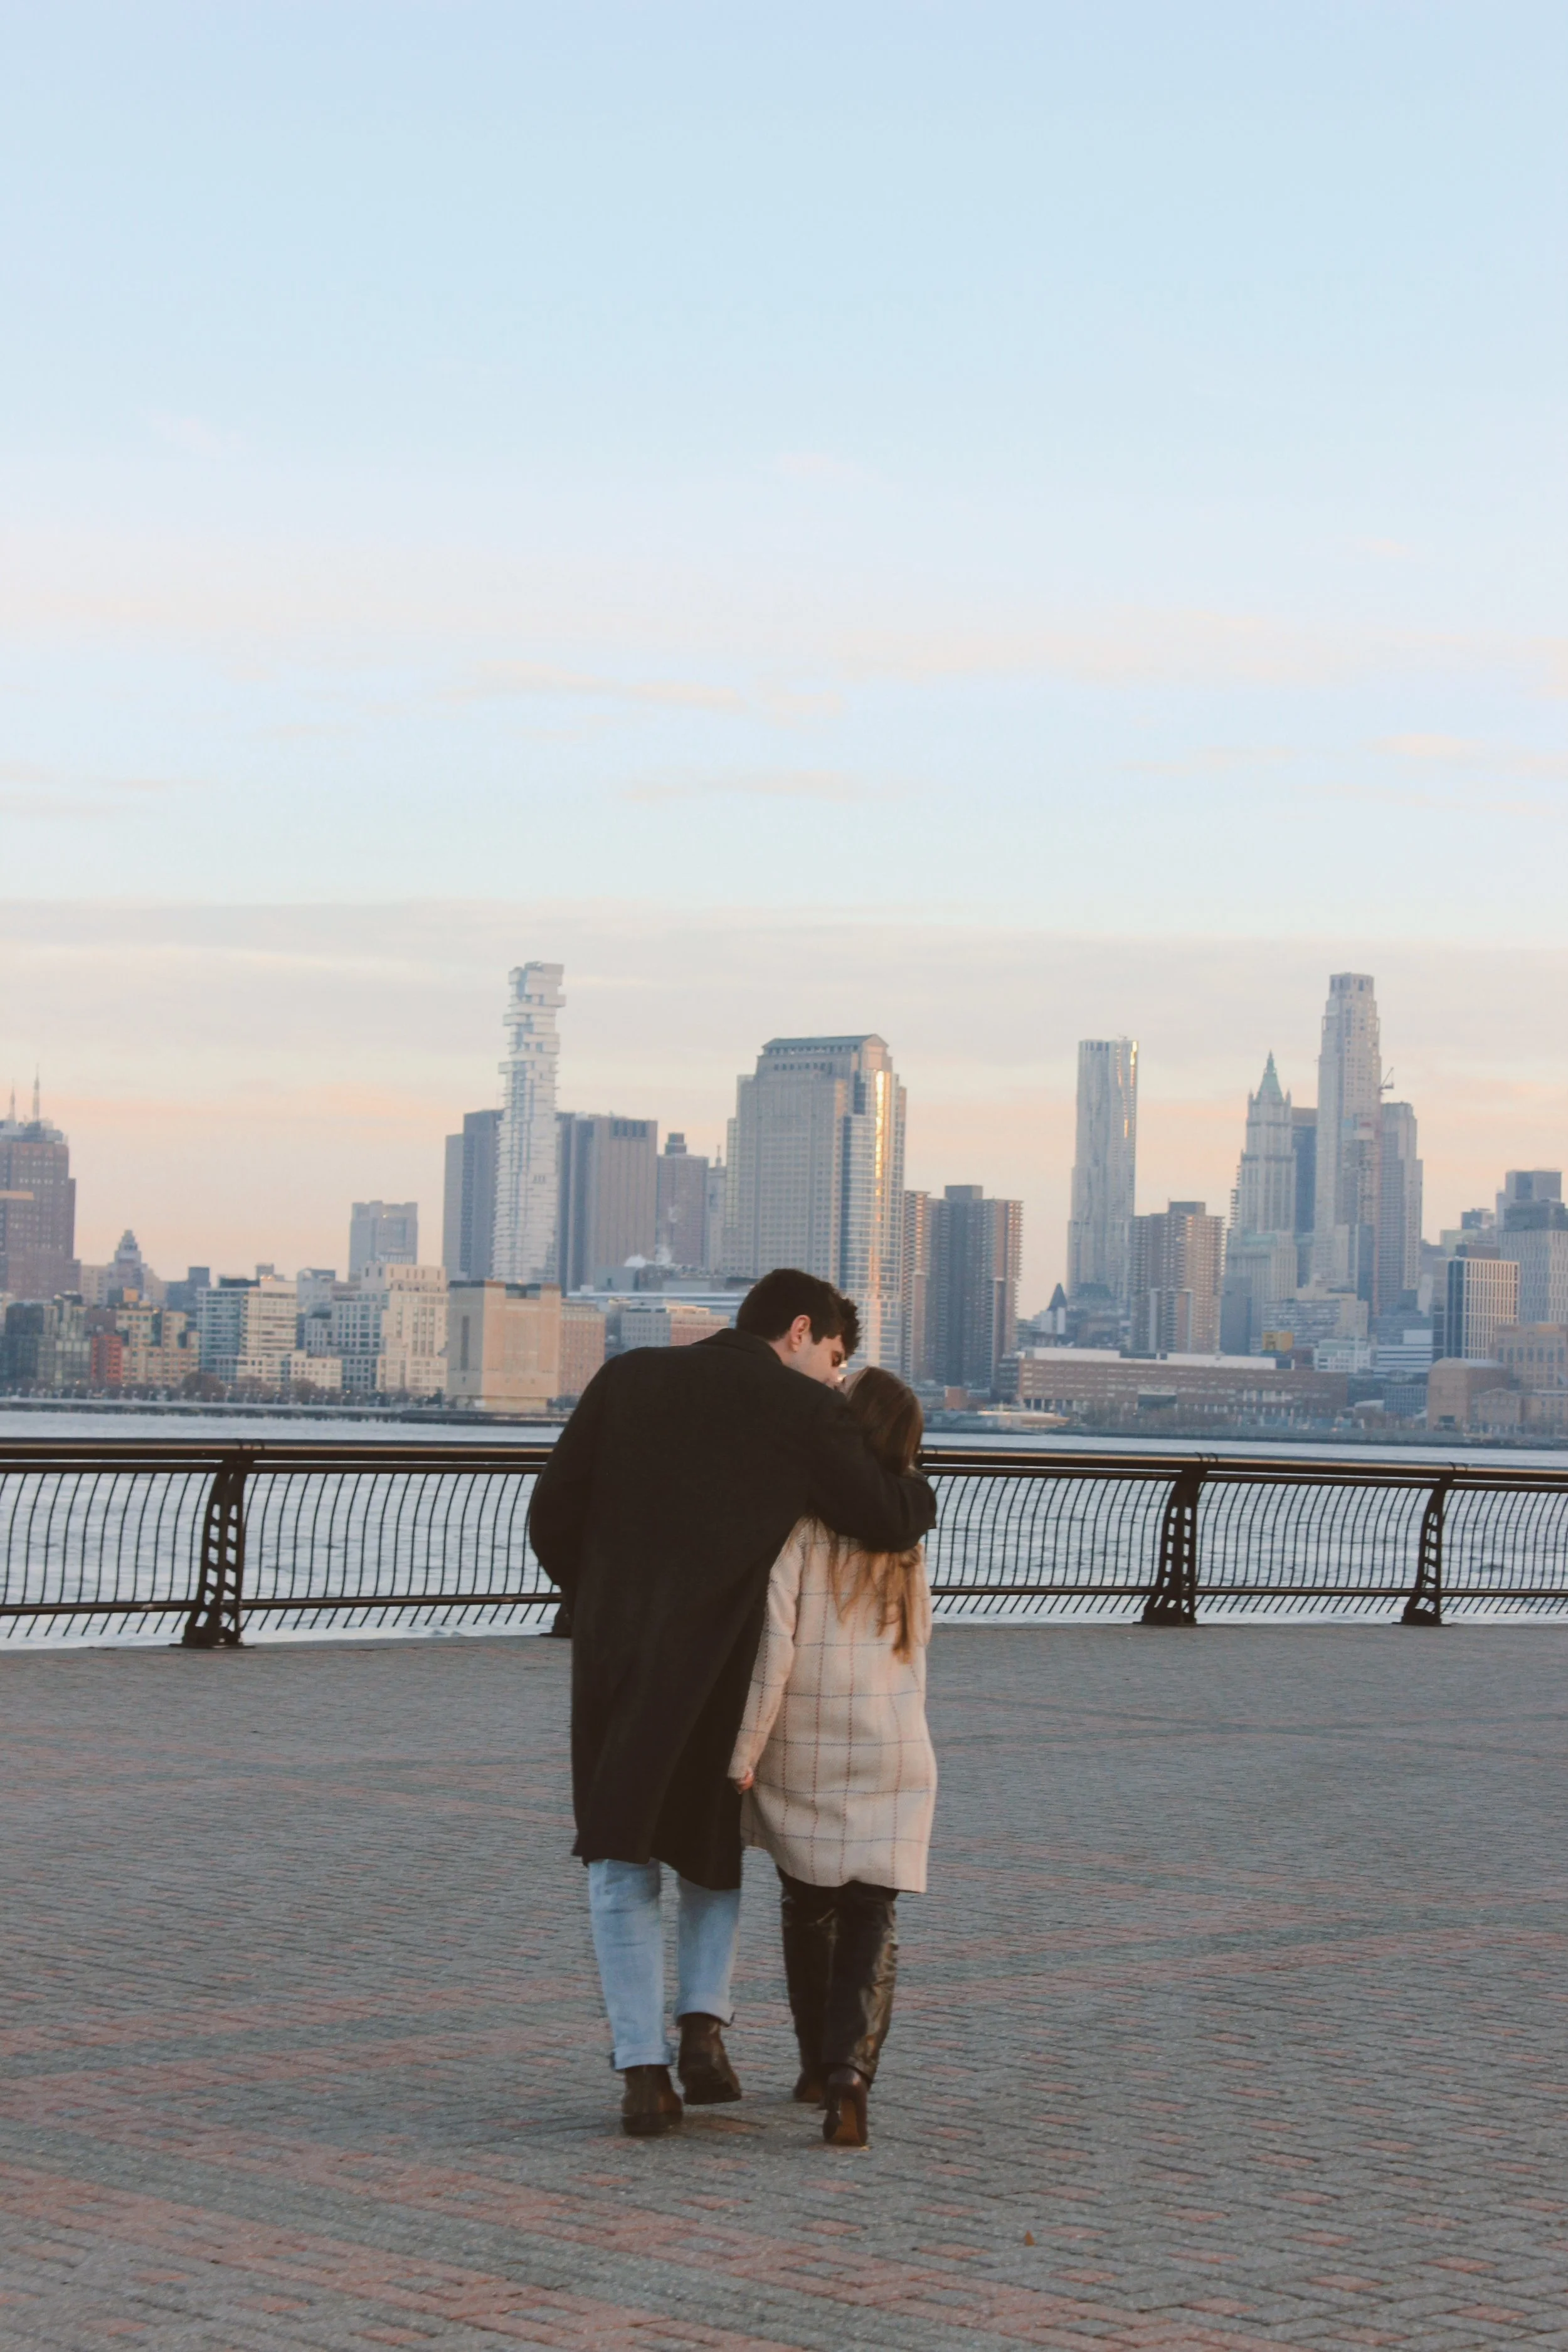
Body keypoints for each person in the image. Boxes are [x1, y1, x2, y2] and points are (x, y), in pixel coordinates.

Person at [527, 1269, 937, 2139]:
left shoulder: (626, 1378)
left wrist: (608, 1598)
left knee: (620, 1853)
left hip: (619, 1656)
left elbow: (552, 1512)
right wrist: (918, 1481)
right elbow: (887, 1515)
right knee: (711, 1845)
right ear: (799, 1330)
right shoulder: (802, 1410)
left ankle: (643, 2071)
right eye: (833, 1358)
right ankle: (704, 2028)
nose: (835, 1379)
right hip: (721, 1659)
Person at [728, 1367, 936, 2151]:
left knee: (808, 1907)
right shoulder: (907, 1544)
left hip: (805, 1753)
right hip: (895, 1749)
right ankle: (853, 2073)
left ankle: (817, 2066)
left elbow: (773, 1653)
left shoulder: (801, 1532)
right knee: (872, 1914)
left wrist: (742, 1754)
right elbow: (918, 1654)